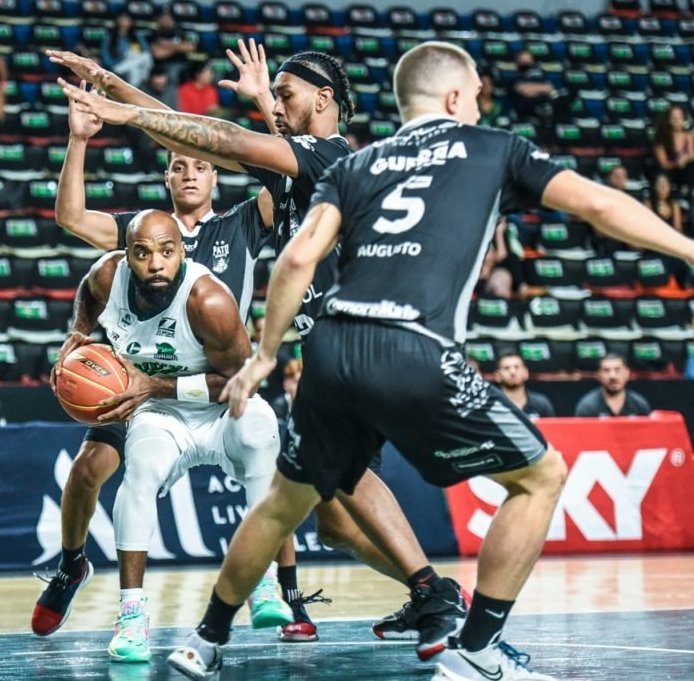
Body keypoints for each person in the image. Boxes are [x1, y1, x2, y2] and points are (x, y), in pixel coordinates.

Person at [166, 41, 694, 681]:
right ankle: (476, 648)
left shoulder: (361, 166)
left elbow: (298, 258)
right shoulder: (494, 147)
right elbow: (600, 205)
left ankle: (204, 640)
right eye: (474, 93)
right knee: (542, 477)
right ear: (454, 98)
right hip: (413, 344)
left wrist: (267, 354)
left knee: (285, 504)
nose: (478, 104)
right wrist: (686, 248)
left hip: (330, 350)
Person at [57, 40, 467, 659]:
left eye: (285, 95)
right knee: (330, 518)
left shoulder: (325, 154)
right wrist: (113, 85)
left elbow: (219, 140)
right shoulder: (301, 165)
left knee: (342, 471)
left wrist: (131, 115)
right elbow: (199, 139)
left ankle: (431, 590)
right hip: (342, 337)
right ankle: (434, 592)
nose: (275, 104)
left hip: (359, 330)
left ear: (323, 100)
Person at [37, 66, 318, 643]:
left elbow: (289, 169)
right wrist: (79, 139)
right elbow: (70, 222)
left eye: (200, 164)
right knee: (90, 469)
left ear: (216, 176)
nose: (190, 172)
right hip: (142, 379)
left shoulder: (243, 222)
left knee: (267, 458)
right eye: (179, 164)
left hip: (216, 382)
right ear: (166, 175)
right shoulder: (142, 232)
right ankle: (71, 565)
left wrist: (268, 103)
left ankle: (287, 595)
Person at [49, 209, 288, 663]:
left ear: (181, 252)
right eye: (142, 253)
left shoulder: (208, 301)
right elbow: (88, 293)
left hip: (221, 408)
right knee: (138, 472)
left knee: (260, 433)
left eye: (166, 251)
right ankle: (132, 617)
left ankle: (264, 579)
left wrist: (153, 385)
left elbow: (244, 381)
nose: (155, 263)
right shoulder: (108, 275)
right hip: (161, 414)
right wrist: (78, 333)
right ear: (128, 256)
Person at [574, 354, 652, 417]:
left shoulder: (639, 404)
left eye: (617, 370)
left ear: (627, 373)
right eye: (606, 371)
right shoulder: (587, 407)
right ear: (599, 375)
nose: (612, 376)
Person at [494, 353, 555, 419]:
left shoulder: (541, 404)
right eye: (506, 368)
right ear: (498, 376)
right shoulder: (490, 405)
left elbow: (552, 428)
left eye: (517, 367)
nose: (512, 372)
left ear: (526, 373)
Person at [100, 13, 152, 87]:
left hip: (134, 62)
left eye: (127, 19)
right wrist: (111, 65)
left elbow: (145, 50)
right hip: (118, 63)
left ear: (131, 22)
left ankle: (122, 70)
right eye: (122, 19)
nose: (124, 21)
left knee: (143, 57)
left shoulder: (137, 35)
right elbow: (105, 54)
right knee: (135, 65)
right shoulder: (110, 36)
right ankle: (141, 81)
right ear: (117, 20)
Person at [652, 104, 694, 195]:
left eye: (679, 118)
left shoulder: (689, 135)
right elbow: (664, 163)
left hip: (686, 170)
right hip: (670, 170)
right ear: (669, 120)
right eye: (674, 118)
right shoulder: (661, 137)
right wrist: (676, 163)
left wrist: (686, 157)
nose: (677, 121)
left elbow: (691, 154)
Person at [270, 357, 301, 425]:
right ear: (286, 384)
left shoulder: (310, 406)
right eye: (296, 382)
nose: (301, 386)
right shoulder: (278, 407)